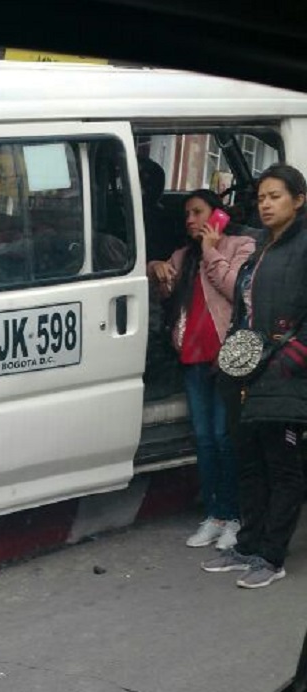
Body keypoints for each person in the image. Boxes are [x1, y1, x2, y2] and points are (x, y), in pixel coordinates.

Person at [202, 163, 307, 588]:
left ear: (299, 200)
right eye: (261, 197)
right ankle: (247, 545)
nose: (265, 204)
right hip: (245, 372)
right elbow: (243, 308)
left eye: (275, 196)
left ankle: (271, 555)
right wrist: (231, 356)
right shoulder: (259, 245)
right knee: (249, 462)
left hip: (285, 373)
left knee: (282, 468)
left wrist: (289, 360)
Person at [147, 189, 255, 551]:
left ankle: (235, 516)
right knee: (205, 441)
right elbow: (167, 295)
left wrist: (211, 249)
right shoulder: (183, 256)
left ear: (218, 215)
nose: (190, 220)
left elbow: (237, 291)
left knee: (226, 439)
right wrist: (155, 269)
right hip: (192, 358)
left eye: (197, 212)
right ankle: (215, 514)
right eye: (187, 216)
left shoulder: (240, 247)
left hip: (226, 358)